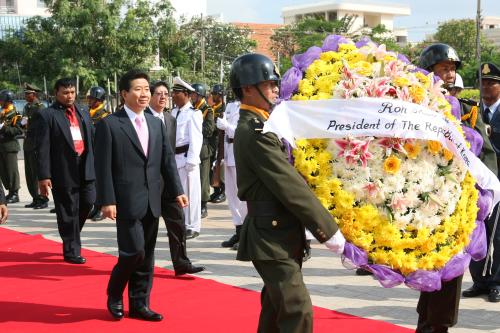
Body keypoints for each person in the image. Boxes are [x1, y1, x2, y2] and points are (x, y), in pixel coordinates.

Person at [231, 53, 345, 332]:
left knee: (275, 309)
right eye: (268, 84)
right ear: (247, 88)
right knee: (297, 310)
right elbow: (289, 185)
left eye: (274, 83)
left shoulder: (265, 124)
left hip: (280, 233)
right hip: (270, 237)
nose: (274, 89)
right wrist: (327, 230)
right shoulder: (254, 131)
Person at [415, 43, 497, 333]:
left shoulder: (467, 112)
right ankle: (429, 324)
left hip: (457, 206)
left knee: (449, 273)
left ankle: (434, 326)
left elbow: (487, 156)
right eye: (443, 68)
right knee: (433, 271)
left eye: (452, 69)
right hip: (424, 204)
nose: (449, 74)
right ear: (428, 72)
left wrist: (486, 193)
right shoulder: (413, 108)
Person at [95, 70, 188, 321]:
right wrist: (106, 200)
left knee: (147, 255)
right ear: (124, 93)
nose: (144, 94)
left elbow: (166, 160)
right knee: (133, 252)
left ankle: (139, 304)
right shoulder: (110, 124)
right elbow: (102, 167)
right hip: (124, 200)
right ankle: (115, 293)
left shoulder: (156, 123)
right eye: (138, 89)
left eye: (147, 89)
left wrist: (177, 189)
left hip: (153, 198)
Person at [145, 80, 205, 276]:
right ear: (150, 96)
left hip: (170, 180)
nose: (163, 97)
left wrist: (177, 186)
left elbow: (170, 155)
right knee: (149, 227)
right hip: (150, 182)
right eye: (158, 94)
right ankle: (144, 264)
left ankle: (181, 263)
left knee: (178, 222)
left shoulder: (171, 119)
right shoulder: (142, 118)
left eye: (165, 94)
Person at [36, 78, 96, 264]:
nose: (70, 96)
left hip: (85, 166)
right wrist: (44, 176)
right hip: (62, 170)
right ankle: (71, 250)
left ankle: (71, 235)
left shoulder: (84, 111)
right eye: (65, 93)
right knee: (68, 210)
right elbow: (42, 148)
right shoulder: (47, 115)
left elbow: (92, 139)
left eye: (72, 92)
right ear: (56, 93)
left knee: (88, 202)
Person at [462, 62, 500, 303]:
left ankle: (497, 281)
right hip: (477, 185)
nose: (486, 87)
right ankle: (479, 280)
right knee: (478, 233)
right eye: (483, 82)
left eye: (491, 82)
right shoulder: (470, 111)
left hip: (499, 183)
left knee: (499, 235)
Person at [171, 77, 203, 239]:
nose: (173, 95)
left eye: (176, 93)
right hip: (174, 158)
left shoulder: (194, 114)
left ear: (186, 94)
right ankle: (182, 223)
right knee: (179, 194)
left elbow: (196, 139)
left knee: (191, 193)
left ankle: (193, 225)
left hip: (187, 158)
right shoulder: (173, 112)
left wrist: (192, 160)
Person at [215, 99, 247, 250]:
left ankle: (247, 234)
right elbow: (223, 134)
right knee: (231, 195)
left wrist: (226, 125)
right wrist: (219, 155)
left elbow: (243, 131)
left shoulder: (248, 105)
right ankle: (239, 230)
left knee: (242, 198)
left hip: (240, 151)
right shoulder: (230, 105)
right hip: (228, 152)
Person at [22, 83, 49, 209]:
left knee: (38, 173)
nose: (26, 96)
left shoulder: (40, 108)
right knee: (30, 173)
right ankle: (35, 197)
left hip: (36, 145)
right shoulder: (27, 107)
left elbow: (43, 129)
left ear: (35, 94)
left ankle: (43, 199)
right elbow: (23, 123)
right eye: (26, 94)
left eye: (29, 94)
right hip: (28, 143)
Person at [190, 83, 215, 219]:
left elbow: (209, 130)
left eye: (194, 94)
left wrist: (194, 127)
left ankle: (203, 205)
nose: (192, 96)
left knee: (203, 178)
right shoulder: (192, 109)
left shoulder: (207, 110)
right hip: (193, 146)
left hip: (203, 148)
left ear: (200, 95)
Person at [86, 86, 110, 221]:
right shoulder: (87, 112)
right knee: (93, 182)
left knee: (101, 181)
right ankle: (96, 206)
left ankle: (101, 208)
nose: (89, 100)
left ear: (99, 100)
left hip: (100, 151)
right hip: (90, 151)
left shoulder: (104, 115)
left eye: (92, 98)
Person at [0, 89, 22, 204]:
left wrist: (4, 128)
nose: (0, 102)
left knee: (11, 171)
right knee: (3, 171)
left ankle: (15, 193)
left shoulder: (15, 114)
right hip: (1, 146)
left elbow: (18, 130)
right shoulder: (2, 112)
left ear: (7, 101)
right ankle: (10, 192)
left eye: (2, 100)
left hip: (10, 146)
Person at [209, 84, 226, 204]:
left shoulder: (223, 109)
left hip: (220, 141)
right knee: (212, 167)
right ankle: (216, 189)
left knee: (220, 166)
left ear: (220, 95)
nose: (212, 96)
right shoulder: (213, 108)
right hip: (212, 141)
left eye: (215, 94)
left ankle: (222, 191)